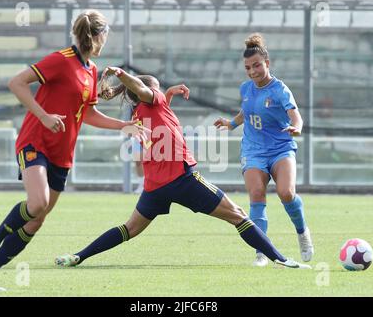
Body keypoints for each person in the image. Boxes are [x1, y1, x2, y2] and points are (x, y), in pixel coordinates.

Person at [54, 67, 311, 270]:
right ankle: (281, 259)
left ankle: (78, 256)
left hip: (155, 187)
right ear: (148, 90)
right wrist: (122, 75)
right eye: (157, 87)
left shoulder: (142, 112)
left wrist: (168, 95)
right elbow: (144, 91)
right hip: (182, 179)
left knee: (129, 229)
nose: (159, 90)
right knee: (239, 215)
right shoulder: (151, 99)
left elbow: (153, 104)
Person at [0, 10, 147, 291]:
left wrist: (123, 126)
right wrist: (43, 116)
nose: (106, 40)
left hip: (62, 153)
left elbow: (87, 115)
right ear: (98, 35)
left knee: (36, 221)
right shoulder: (61, 60)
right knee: (38, 203)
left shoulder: (91, 70)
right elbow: (16, 83)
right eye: (106, 35)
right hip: (35, 141)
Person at [214, 33, 314, 267]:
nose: (252, 71)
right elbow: (246, 112)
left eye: (257, 65)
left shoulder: (280, 89)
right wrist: (231, 124)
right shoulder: (246, 88)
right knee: (257, 192)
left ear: (267, 64)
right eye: (248, 67)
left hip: (280, 148)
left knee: (286, 193)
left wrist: (297, 128)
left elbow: (295, 115)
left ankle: (302, 233)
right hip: (253, 150)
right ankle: (261, 252)